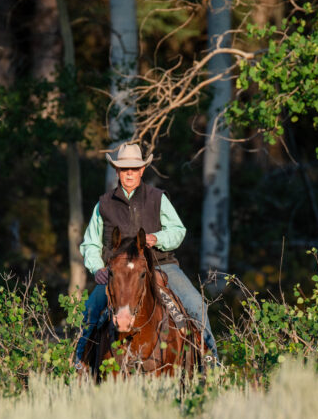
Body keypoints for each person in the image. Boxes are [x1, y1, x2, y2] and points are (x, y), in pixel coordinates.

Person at [74, 142, 218, 365]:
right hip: (118, 271)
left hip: (162, 265)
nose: (129, 173)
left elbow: (178, 230)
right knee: (90, 310)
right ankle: (79, 364)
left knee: (196, 305)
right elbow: (90, 243)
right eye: (124, 169)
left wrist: (157, 238)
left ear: (142, 170)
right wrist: (98, 269)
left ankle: (211, 363)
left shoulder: (157, 198)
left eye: (134, 168)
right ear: (117, 171)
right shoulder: (103, 204)